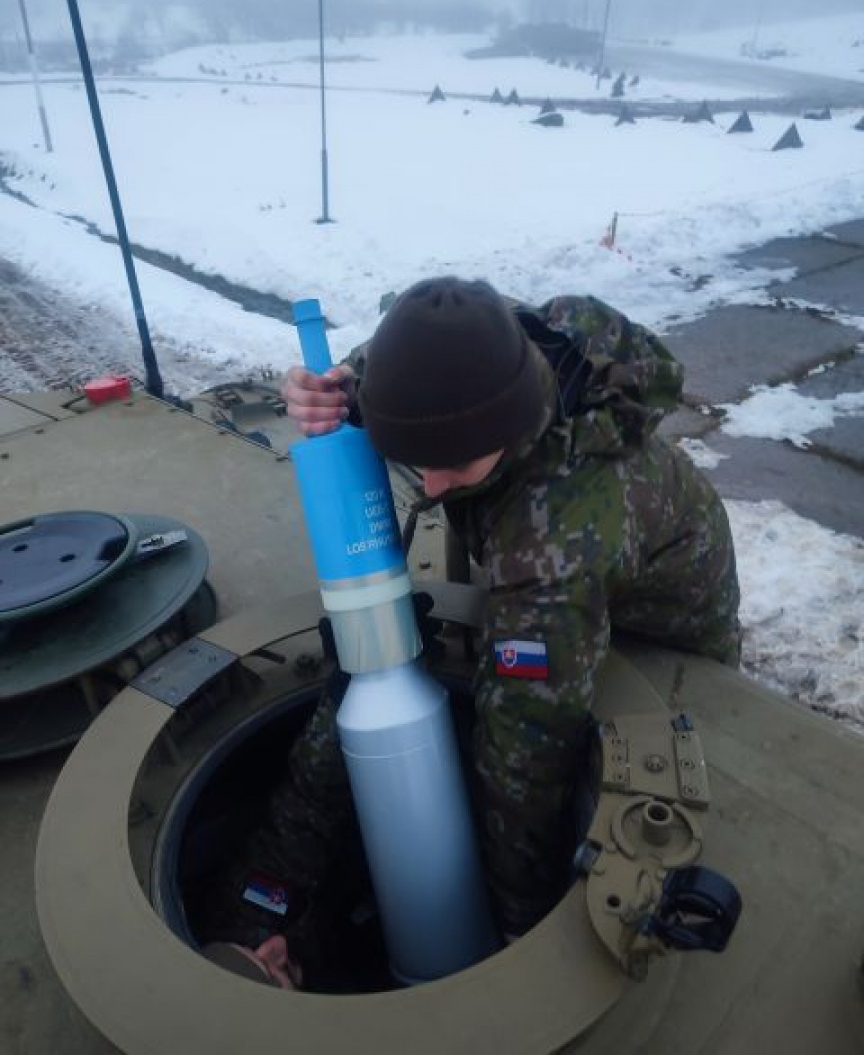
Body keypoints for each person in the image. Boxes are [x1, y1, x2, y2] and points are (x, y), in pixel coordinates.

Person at [204, 277, 740, 980]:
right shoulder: (478, 350)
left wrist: (516, 927)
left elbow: (526, 757)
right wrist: (336, 394)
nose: (429, 487)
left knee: (555, 745)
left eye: (452, 464)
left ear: (508, 431)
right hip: (561, 570)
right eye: (416, 458)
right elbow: (398, 376)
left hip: (661, 638)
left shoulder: (554, 541)